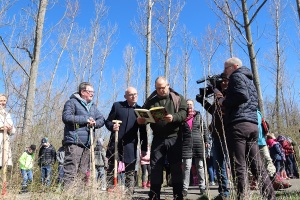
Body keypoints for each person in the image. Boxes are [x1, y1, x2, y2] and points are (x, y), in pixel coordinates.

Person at [217, 57, 275, 199]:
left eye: (226, 68)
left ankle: (243, 197)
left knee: (239, 165)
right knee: (257, 165)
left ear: (235, 67)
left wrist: (224, 101)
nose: (224, 71)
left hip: (239, 125)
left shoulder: (237, 77)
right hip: (252, 124)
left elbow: (242, 96)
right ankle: (270, 196)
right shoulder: (249, 80)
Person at [138, 76, 187, 200]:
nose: (161, 90)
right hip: (158, 138)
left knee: (176, 167)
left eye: (163, 87)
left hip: (174, 138)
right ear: (155, 88)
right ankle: (154, 195)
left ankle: (178, 195)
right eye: (158, 88)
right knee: (155, 167)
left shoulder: (178, 98)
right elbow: (144, 116)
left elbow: (184, 113)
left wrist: (174, 117)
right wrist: (141, 120)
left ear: (168, 85)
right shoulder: (151, 102)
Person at [62, 82, 105, 188]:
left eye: (93, 92)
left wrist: (95, 123)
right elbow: (66, 117)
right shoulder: (71, 102)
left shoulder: (93, 107)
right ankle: (68, 195)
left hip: (87, 143)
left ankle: (79, 195)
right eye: (90, 92)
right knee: (71, 169)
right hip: (74, 142)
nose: (92, 94)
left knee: (83, 172)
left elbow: (101, 120)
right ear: (83, 92)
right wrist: (85, 120)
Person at [105, 86, 148, 194]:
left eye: (136, 94)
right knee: (112, 167)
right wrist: (112, 126)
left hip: (130, 145)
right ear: (125, 96)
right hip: (115, 142)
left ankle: (129, 193)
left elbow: (143, 131)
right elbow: (108, 121)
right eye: (131, 94)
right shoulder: (117, 106)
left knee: (130, 170)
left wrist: (144, 148)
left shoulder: (140, 110)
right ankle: (110, 190)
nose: (134, 96)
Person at [197, 73, 230, 199]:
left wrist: (214, 88)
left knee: (232, 162)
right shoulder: (218, 96)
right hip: (216, 133)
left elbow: (225, 107)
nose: (222, 84)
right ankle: (223, 192)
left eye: (224, 81)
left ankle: (240, 190)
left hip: (228, 133)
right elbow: (214, 111)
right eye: (220, 82)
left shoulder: (230, 93)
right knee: (218, 163)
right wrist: (202, 101)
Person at [181, 99, 208, 197]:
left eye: (191, 104)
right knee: (186, 167)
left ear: (193, 105)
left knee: (200, 166)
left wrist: (206, 141)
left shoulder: (198, 116)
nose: (189, 106)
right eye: (187, 104)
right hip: (186, 145)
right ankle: (184, 188)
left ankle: (202, 187)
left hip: (198, 144)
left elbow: (204, 129)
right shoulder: (182, 117)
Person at [0, 94, 16, 170]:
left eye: (4, 101)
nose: (2, 102)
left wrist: (10, 129)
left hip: (4, 144)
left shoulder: (7, 115)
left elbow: (13, 130)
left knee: (3, 167)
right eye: (0, 100)